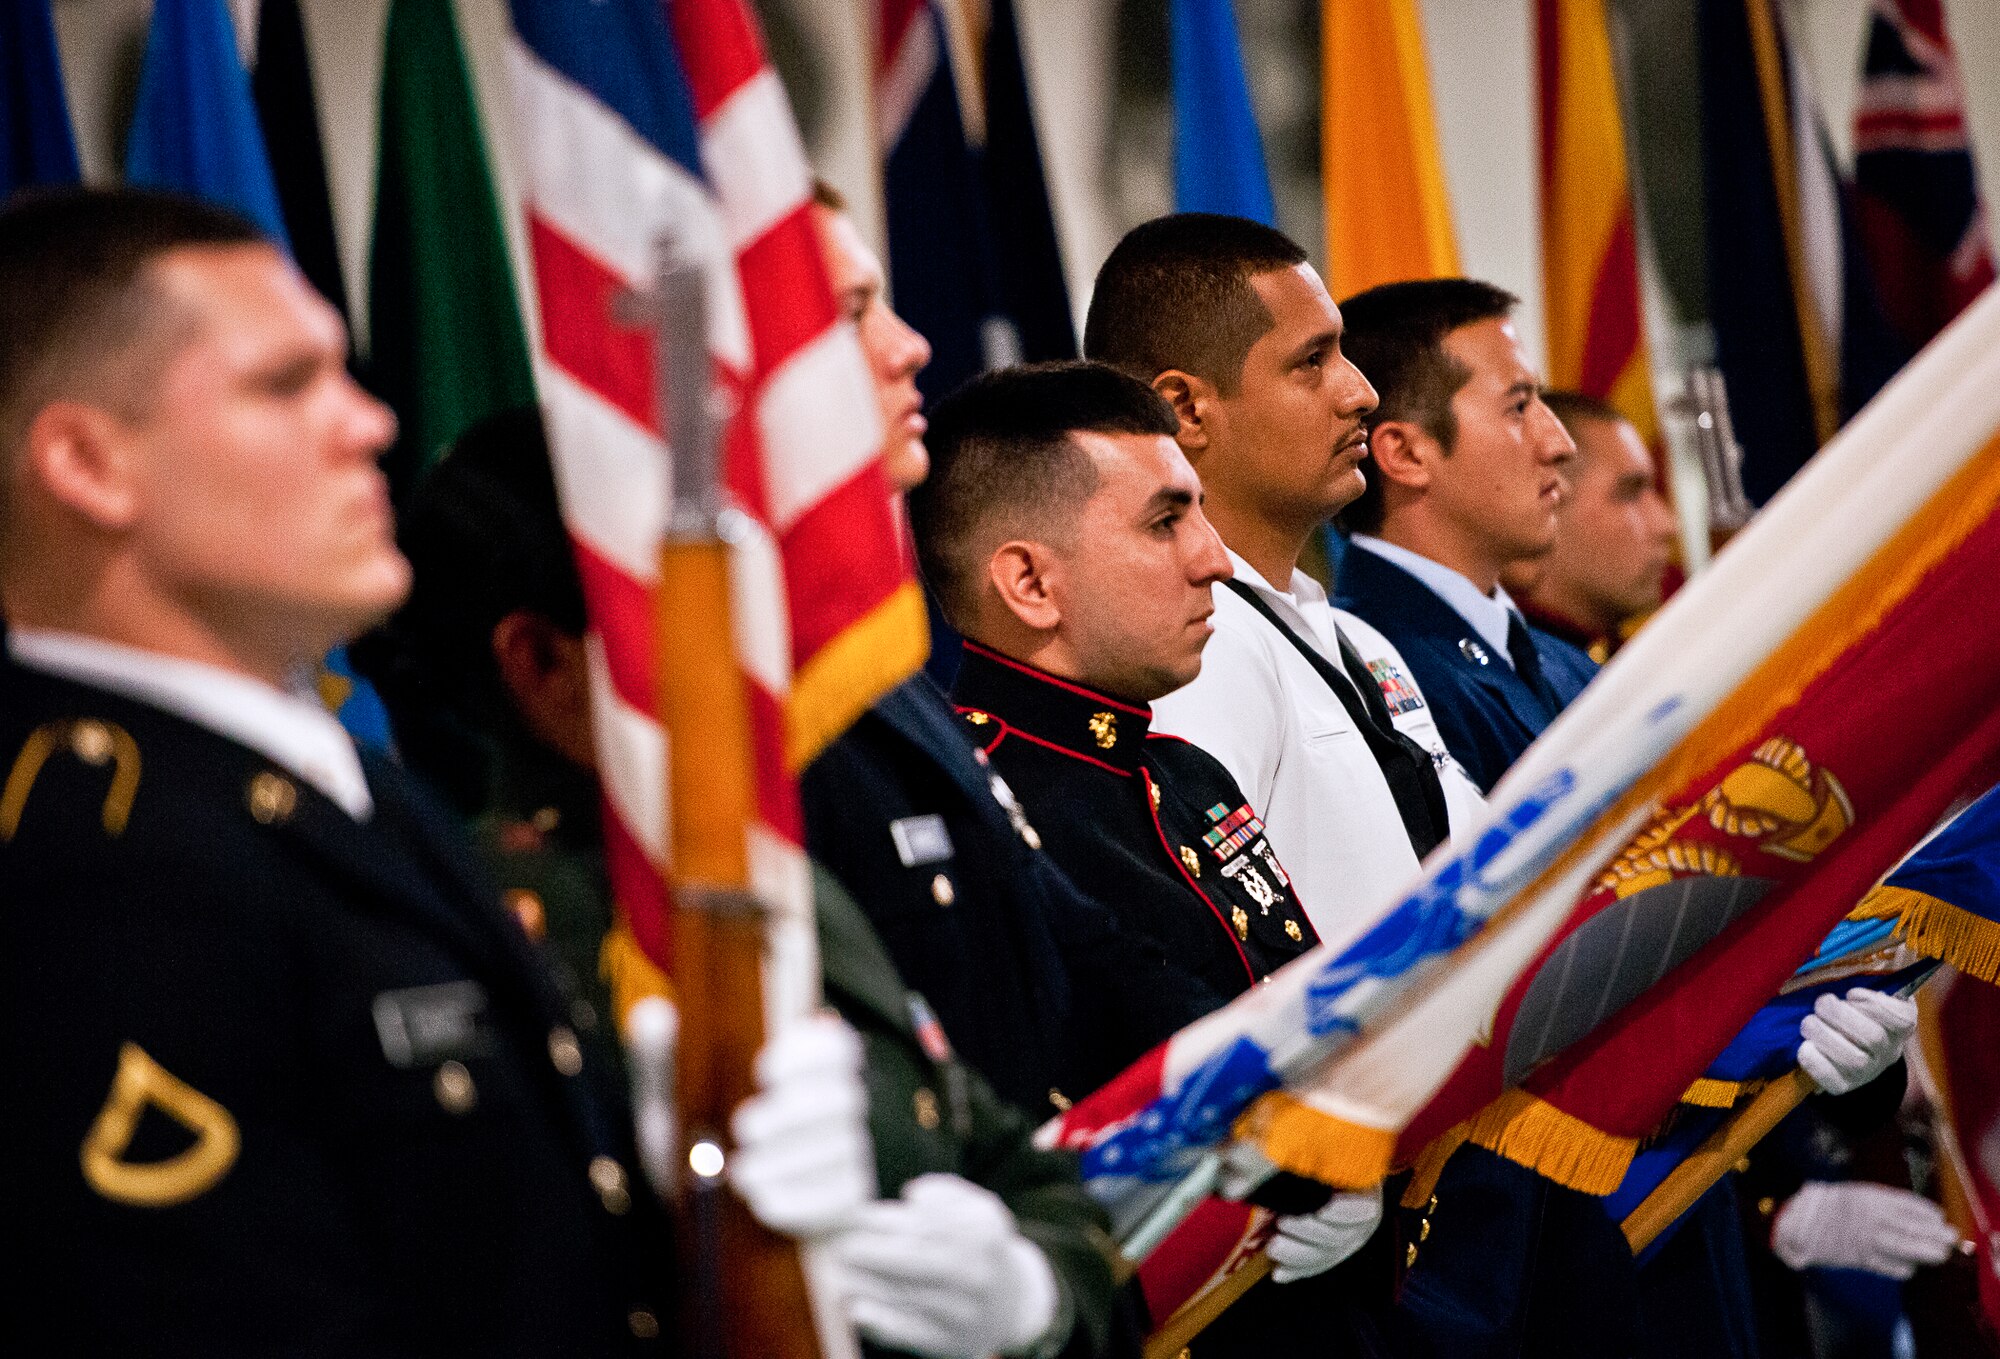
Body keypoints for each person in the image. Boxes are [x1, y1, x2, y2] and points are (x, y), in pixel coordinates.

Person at [0, 187, 672, 1354]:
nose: (366, 423)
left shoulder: (321, 779)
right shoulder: (92, 874)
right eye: (284, 384)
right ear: (87, 463)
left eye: (345, 376)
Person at [363, 406, 1124, 1359]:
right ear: (543, 661)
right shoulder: (465, 935)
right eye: (694, 622)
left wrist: (1027, 1290)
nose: (760, 663)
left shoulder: (765, 872)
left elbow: (1009, 1157)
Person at [907, 363, 1385, 1339]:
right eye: (1165, 521)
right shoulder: (980, 821)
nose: (1212, 557)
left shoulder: (1182, 770)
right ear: (1029, 582)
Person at [797, 186, 1217, 1116]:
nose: (911, 346)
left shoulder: (890, 681)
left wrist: (1285, 1101)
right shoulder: (775, 687)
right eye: (853, 311)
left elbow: (1087, 948)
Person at [1081, 211, 1484, 964]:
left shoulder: (1356, 640)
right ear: (1187, 409)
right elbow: (1217, 950)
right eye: (1313, 362)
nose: (1362, 392)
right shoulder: (1191, 649)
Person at [1331, 278, 1594, 795]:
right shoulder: (1376, 684)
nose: (1559, 444)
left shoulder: (1561, 660)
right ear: (1407, 454)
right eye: (1518, 406)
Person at [1505, 391, 1676, 662]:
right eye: (1630, 493)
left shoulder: (1606, 659)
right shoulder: (1520, 667)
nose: (1667, 525)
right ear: (1548, 495)